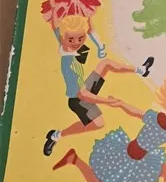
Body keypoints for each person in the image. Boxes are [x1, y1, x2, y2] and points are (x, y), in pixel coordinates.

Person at [43, 15, 154, 155]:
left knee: (105, 64)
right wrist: (108, 101)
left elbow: (55, 25)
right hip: (78, 100)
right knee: (99, 123)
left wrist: (86, 17)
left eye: (80, 38)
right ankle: (56, 135)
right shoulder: (71, 66)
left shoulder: (64, 44)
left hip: (84, 88)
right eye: (71, 40)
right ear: (65, 39)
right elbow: (84, 95)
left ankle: (141, 70)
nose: (77, 43)